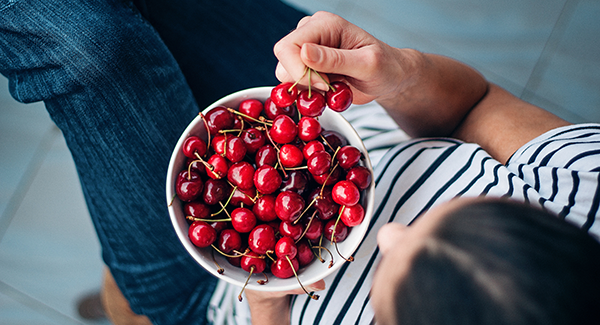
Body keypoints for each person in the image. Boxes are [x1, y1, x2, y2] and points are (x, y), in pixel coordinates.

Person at [203, 11, 600, 324]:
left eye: (390, 268)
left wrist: (265, 307)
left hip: (211, 296)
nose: (389, 233)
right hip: (313, 120)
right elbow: (474, 106)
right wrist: (398, 75)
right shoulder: (586, 186)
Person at [0, 0, 306, 324]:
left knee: (88, 48)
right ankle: (123, 288)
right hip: (331, 116)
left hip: (225, 294)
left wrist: (266, 307)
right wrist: (365, 77)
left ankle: (126, 297)